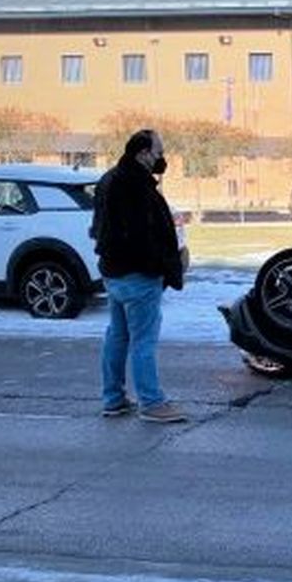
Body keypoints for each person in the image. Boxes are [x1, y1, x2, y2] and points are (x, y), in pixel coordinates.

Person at [91, 129, 188, 422]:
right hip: (138, 275)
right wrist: (166, 265)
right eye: (158, 152)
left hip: (114, 272)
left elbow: (100, 226)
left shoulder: (110, 179)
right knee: (143, 341)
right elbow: (142, 236)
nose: (162, 158)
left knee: (118, 336)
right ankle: (152, 402)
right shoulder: (135, 186)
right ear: (143, 153)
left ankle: (114, 399)